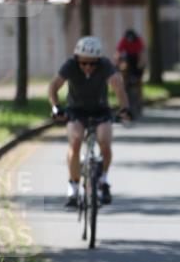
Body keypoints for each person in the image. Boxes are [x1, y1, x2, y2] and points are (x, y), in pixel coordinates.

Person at [48, 36, 131, 208]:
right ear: (77, 59)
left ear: (98, 61)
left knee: (104, 141)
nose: (88, 67)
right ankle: (73, 186)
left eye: (92, 63)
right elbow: (53, 87)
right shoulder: (70, 65)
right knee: (76, 141)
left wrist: (125, 108)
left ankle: (103, 180)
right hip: (76, 111)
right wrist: (56, 107)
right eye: (84, 63)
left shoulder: (105, 65)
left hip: (100, 110)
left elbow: (118, 87)